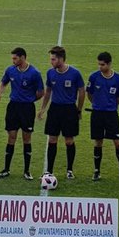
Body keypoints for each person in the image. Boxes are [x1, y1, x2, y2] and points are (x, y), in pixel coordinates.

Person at [0, 48, 44, 180]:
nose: (13, 61)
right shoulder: (10, 70)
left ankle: (27, 171)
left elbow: (40, 92)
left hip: (27, 108)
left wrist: (30, 100)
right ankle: (6, 169)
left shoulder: (34, 73)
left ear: (22, 58)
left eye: (15, 58)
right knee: (11, 137)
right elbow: (3, 82)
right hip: (13, 107)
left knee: (26, 138)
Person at [37, 46, 84, 180]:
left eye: (53, 59)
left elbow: (82, 92)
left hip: (69, 109)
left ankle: (69, 170)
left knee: (69, 141)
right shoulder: (50, 73)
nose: (51, 62)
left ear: (61, 59)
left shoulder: (75, 73)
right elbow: (48, 91)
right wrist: (42, 108)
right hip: (55, 109)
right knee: (52, 139)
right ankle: (49, 171)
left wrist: (79, 110)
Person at [87, 51, 119, 181]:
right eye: (99, 64)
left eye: (102, 64)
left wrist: (110, 106)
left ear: (109, 64)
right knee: (98, 142)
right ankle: (97, 170)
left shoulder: (118, 79)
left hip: (111, 114)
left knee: (117, 142)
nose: (100, 67)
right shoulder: (93, 77)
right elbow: (90, 94)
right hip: (97, 113)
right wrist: (98, 105)